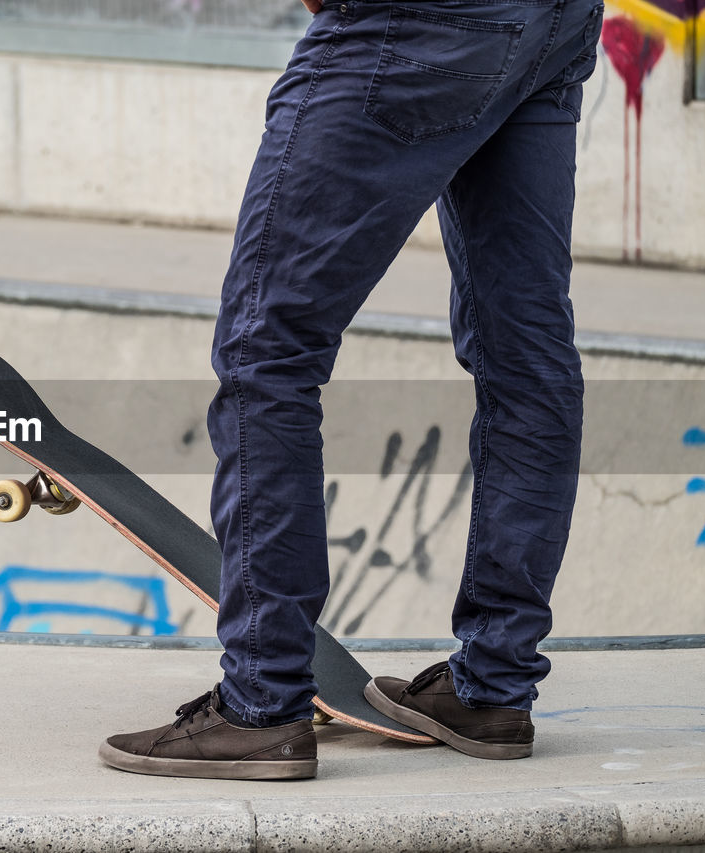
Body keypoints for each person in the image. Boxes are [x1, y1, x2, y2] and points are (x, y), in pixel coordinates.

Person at [98, 0, 604, 779]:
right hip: (555, 21)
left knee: (269, 347)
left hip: (422, 24)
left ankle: (261, 706)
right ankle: (494, 688)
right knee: (528, 355)